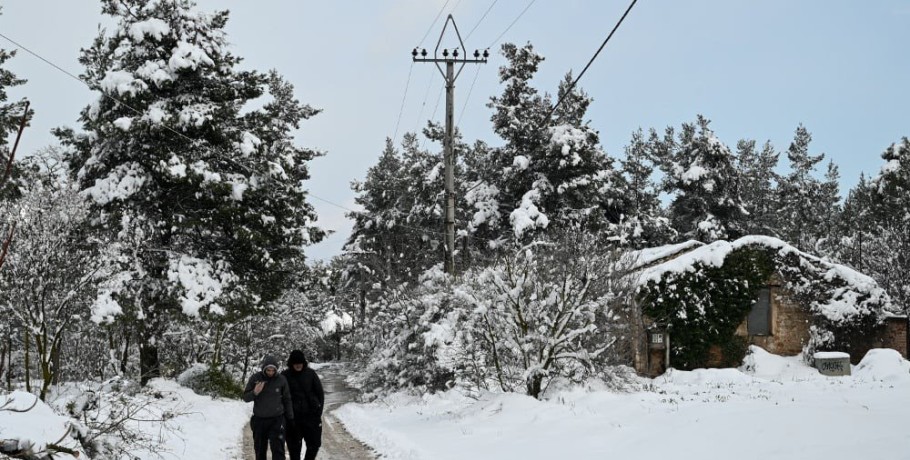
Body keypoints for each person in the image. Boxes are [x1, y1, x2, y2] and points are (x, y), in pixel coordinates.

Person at [243, 355, 294, 460]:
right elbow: (245, 397)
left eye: (273, 370)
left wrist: (290, 418)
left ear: (276, 369)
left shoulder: (281, 380)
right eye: (268, 370)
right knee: (260, 450)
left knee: (278, 450)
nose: (270, 372)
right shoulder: (256, 378)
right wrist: (255, 392)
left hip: (277, 420)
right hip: (259, 420)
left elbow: (287, 399)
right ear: (264, 368)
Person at [282, 349, 325, 460]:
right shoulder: (285, 376)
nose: (298, 365)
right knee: (294, 448)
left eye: (300, 363)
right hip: (293, 419)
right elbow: (280, 396)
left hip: (311, 417)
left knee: (314, 445)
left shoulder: (311, 374)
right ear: (291, 363)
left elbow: (320, 393)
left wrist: (318, 414)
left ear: (303, 362)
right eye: (295, 363)